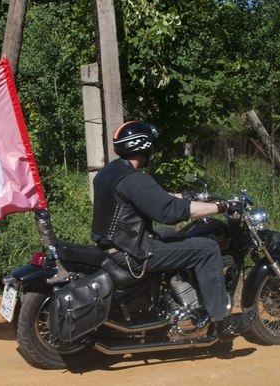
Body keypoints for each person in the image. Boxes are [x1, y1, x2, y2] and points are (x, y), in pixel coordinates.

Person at [90, 121, 253, 340]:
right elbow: (170, 213)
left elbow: (150, 197)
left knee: (180, 236)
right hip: (133, 252)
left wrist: (182, 196)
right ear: (144, 146)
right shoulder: (135, 178)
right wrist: (220, 207)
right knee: (207, 249)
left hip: (119, 243)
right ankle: (223, 321)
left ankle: (182, 290)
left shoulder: (111, 172)